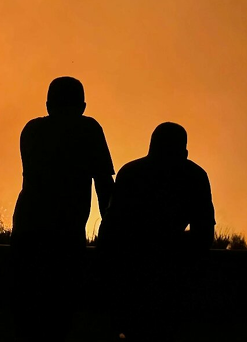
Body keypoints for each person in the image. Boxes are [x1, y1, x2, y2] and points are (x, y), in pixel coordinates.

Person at [11, 76, 115, 342]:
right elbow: (104, 186)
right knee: (61, 313)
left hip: (27, 228)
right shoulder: (89, 130)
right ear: (83, 106)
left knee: (28, 313)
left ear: (47, 105)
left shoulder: (32, 130)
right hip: (66, 233)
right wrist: (114, 233)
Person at [98, 122, 215, 341]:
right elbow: (204, 234)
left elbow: (110, 230)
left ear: (150, 147)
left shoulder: (131, 173)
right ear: (185, 152)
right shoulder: (195, 176)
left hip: (131, 274)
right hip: (171, 279)